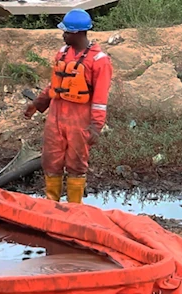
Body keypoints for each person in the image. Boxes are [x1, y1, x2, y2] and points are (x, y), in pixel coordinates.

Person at [25, 8, 113, 204]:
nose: (62, 35)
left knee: (76, 164)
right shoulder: (62, 54)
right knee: (51, 161)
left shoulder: (100, 62)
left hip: (79, 120)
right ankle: (51, 206)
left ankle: (74, 210)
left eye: (65, 31)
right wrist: (37, 104)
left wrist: (95, 127)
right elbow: (54, 84)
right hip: (56, 116)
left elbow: (100, 99)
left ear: (76, 33)